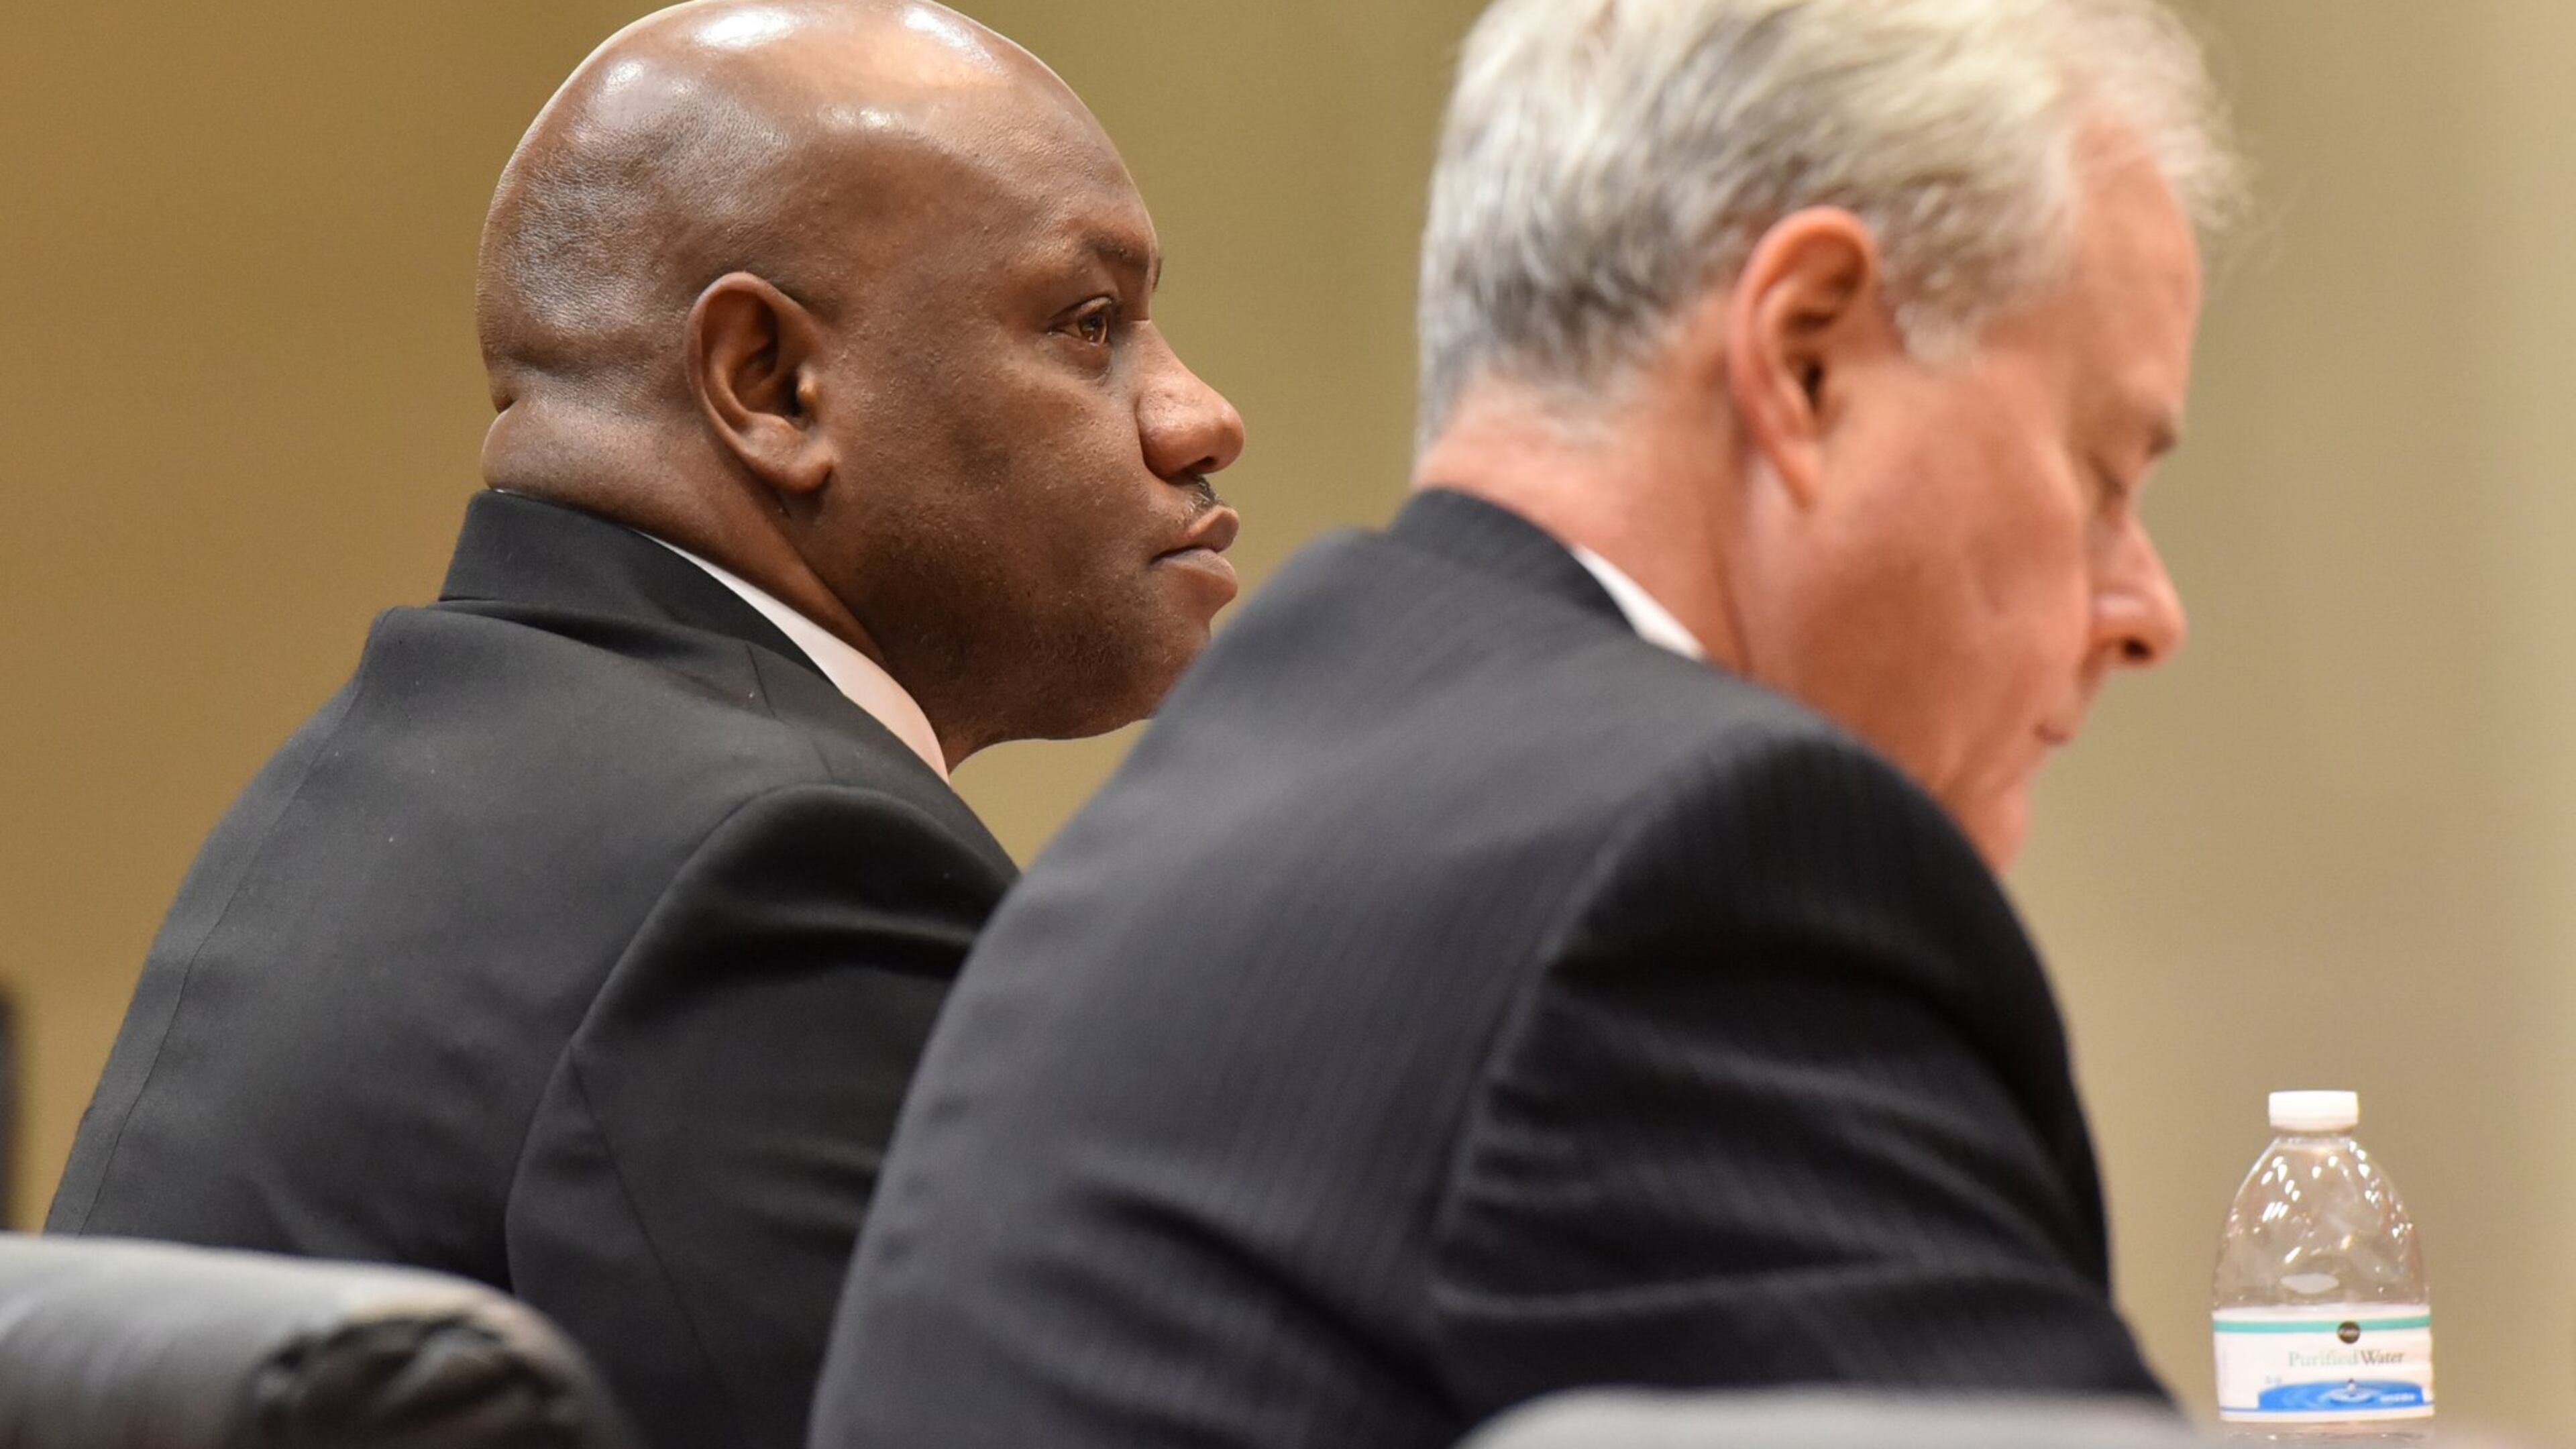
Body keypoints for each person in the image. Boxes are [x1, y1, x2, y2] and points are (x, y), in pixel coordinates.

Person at [809, 0, 2243, 1444]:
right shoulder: (1698, 873)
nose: (2147, 608)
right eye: (2102, 471)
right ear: (1807, 355)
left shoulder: (1266, 767)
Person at [47, 4, 1242, 1449]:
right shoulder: (778, 868)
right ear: (773, 384)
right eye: (1092, 323)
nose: (1197, 417)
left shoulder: (392, 775)